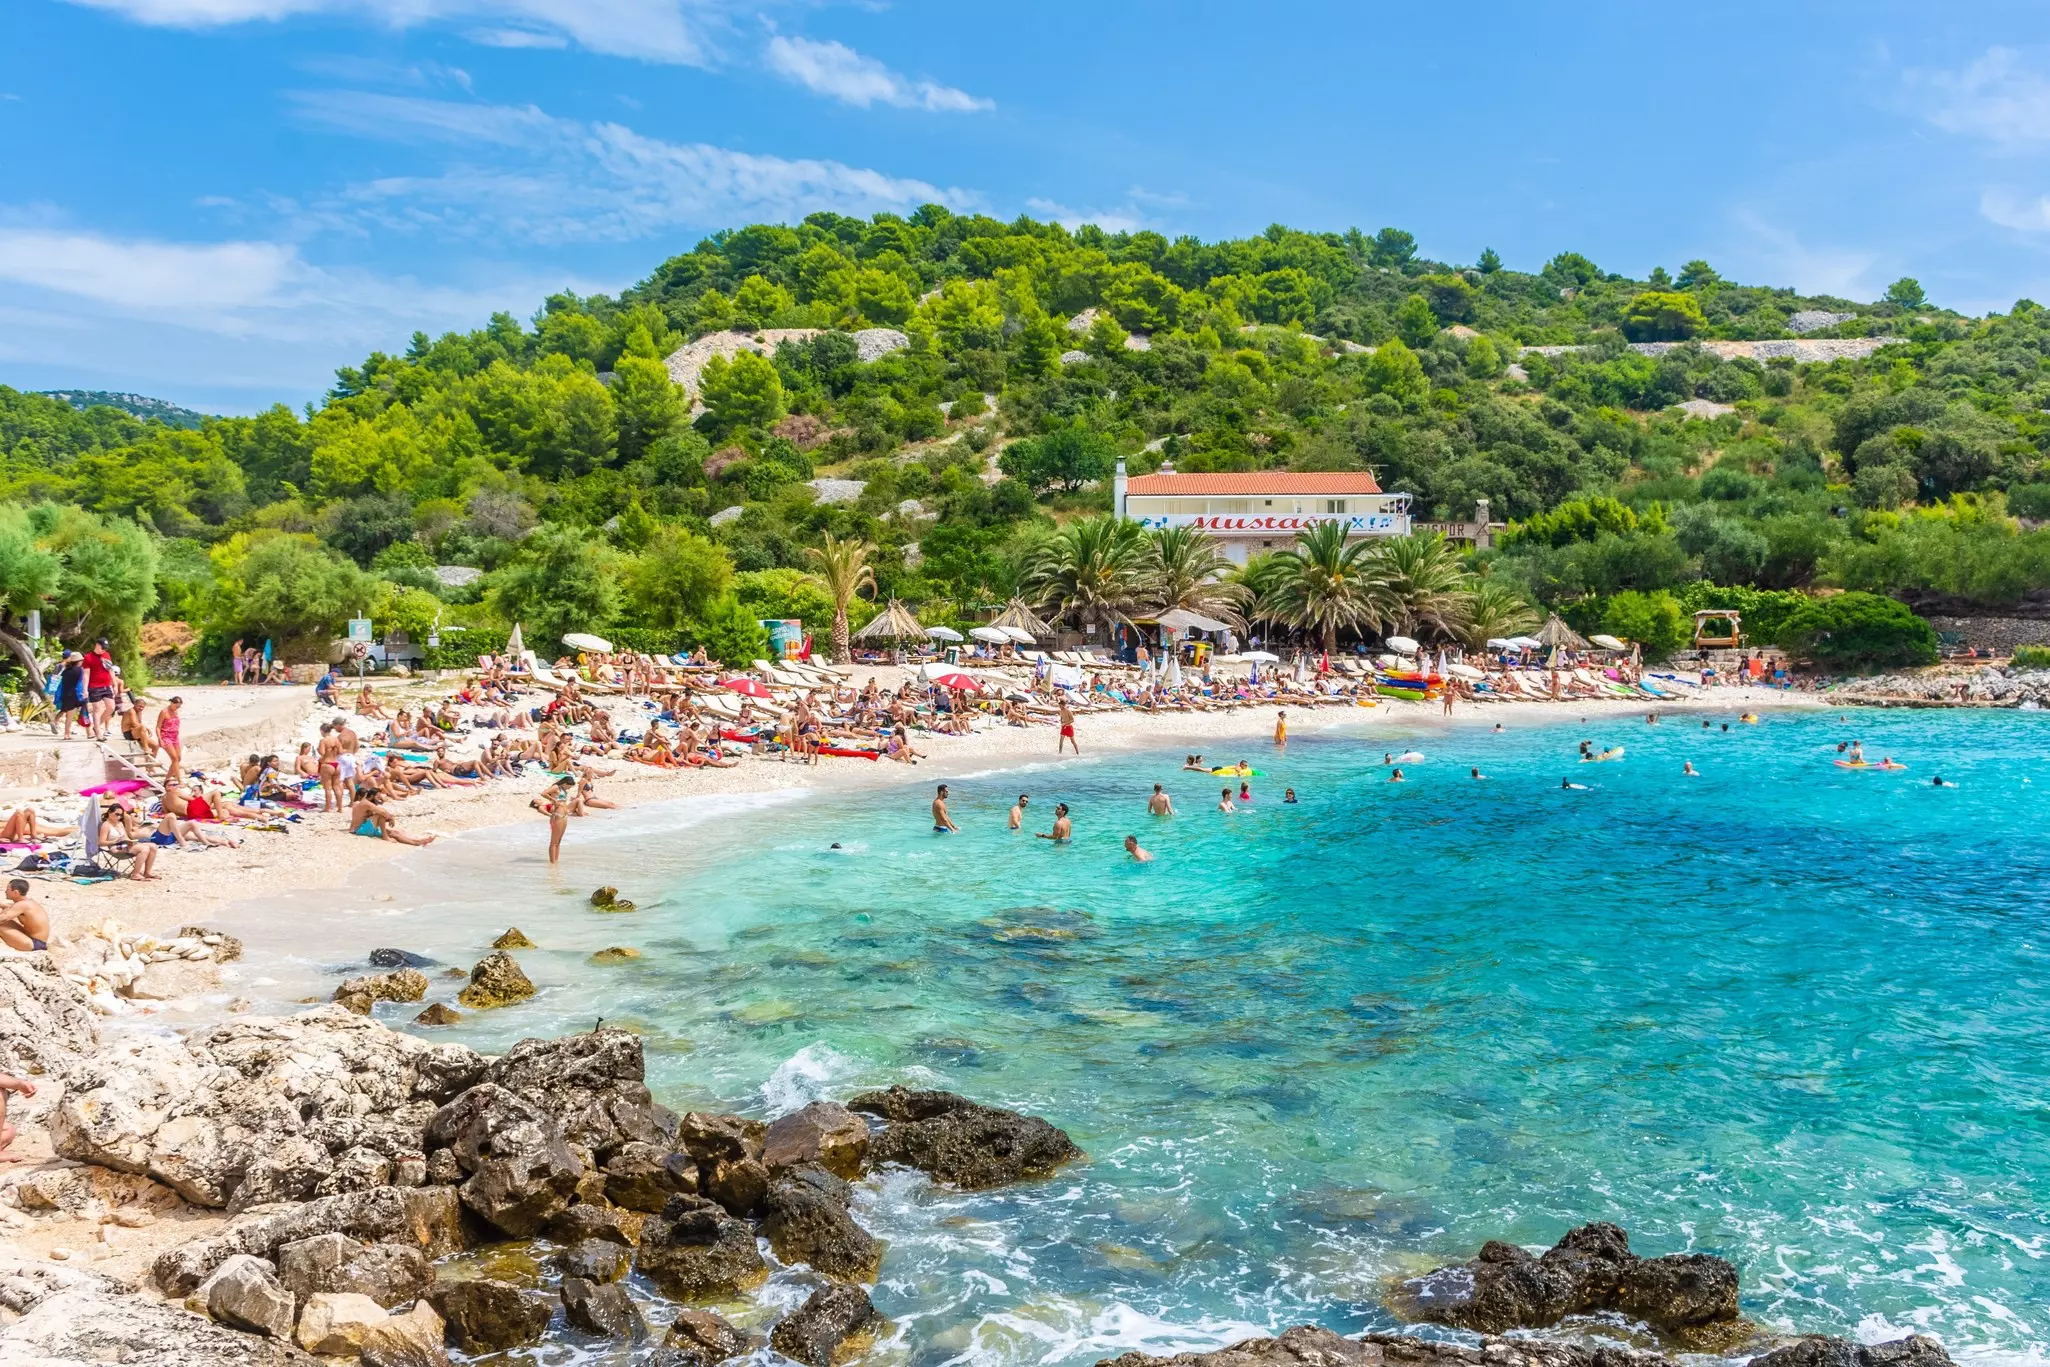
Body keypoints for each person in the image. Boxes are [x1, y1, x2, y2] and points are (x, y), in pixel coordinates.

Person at [529, 778, 572, 863]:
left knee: (559, 841)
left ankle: (555, 863)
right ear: (565, 783)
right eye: (569, 786)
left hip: (564, 815)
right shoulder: (556, 787)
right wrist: (554, 800)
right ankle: (552, 863)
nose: (569, 788)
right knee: (554, 841)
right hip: (557, 816)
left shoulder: (562, 789)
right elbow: (544, 793)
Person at [0, 880, 50, 952]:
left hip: (35, 944)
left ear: (15, 892)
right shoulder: (27, 902)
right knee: (6, 922)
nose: (5, 892)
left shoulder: (22, 905)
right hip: (31, 938)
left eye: (7, 890)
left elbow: (3, 918)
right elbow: (9, 908)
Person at [156, 697, 185, 782]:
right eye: (176, 706)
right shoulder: (164, 712)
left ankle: (167, 779)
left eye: (179, 707)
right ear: (172, 703)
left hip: (175, 736)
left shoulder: (175, 711)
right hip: (166, 736)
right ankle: (179, 779)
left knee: (179, 758)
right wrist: (160, 739)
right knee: (174, 758)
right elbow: (158, 727)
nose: (177, 708)